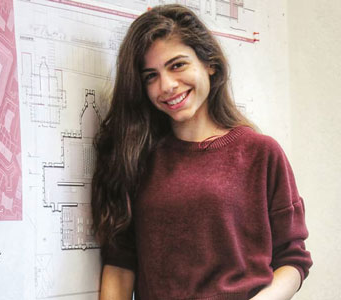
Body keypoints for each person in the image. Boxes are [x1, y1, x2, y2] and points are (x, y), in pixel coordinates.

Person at [91, 4, 312, 300]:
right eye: (150, 76)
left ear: (210, 63)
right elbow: (120, 265)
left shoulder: (261, 153)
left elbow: (293, 259)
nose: (166, 85)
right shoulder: (136, 159)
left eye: (177, 65)